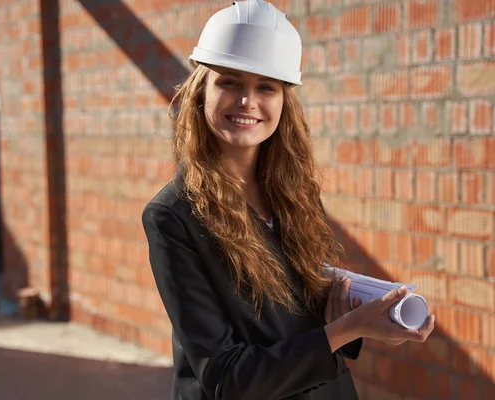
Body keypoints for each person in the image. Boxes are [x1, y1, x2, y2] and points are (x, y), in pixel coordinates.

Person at [141, 1, 436, 399]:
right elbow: (227, 380)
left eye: (266, 86)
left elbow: (298, 315)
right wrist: (348, 329)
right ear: (200, 91)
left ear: (283, 100)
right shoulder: (173, 217)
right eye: (230, 81)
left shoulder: (294, 192)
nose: (247, 101)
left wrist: (356, 308)